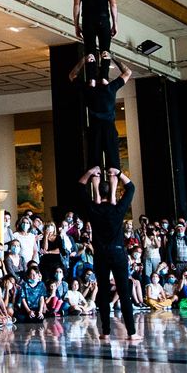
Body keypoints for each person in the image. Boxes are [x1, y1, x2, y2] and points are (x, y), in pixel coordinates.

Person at [79, 170, 139, 340]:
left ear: (97, 190)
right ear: (111, 191)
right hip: (118, 252)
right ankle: (132, 333)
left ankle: (105, 331)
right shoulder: (118, 210)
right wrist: (118, 174)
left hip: (101, 255)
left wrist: (90, 174)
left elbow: (80, 187)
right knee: (124, 291)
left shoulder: (93, 210)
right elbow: (131, 188)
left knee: (104, 292)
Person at [70, 53, 131, 177]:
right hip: (108, 128)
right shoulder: (110, 88)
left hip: (94, 128)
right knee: (113, 166)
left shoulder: (88, 89)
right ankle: (110, 193)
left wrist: (83, 60)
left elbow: (72, 75)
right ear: (105, 77)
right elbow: (128, 72)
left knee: (94, 166)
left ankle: (98, 195)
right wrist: (114, 57)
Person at [72, 0, 117, 79]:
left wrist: (76, 25)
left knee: (90, 51)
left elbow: (76, 6)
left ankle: (91, 79)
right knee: (105, 50)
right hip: (103, 19)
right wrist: (115, 24)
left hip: (88, 20)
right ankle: (104, 77)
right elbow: (113, 5)